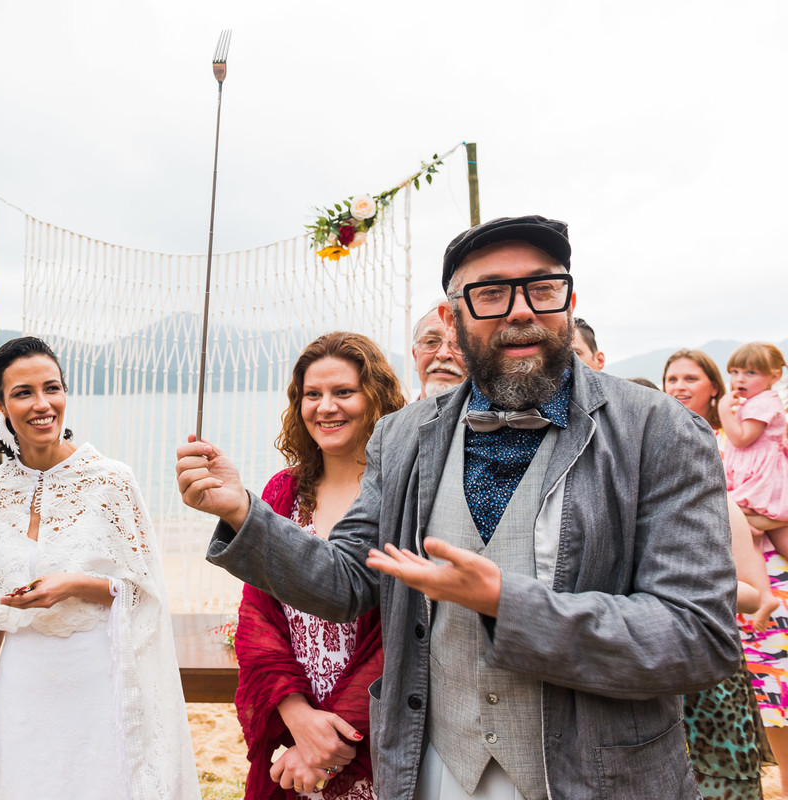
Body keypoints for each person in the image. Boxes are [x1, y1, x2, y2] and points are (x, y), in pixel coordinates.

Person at [177, 215, 741, 799]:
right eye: (490, 292)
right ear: (452, 318)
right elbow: (347, 580)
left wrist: (506, 604)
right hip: (436, 770)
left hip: (596, 779)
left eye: (542, 288)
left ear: (569, 301)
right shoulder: (402, 436)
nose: (520, 309)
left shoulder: (661, 432)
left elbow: (698, 636)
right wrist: (244, 511)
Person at [0, 336, 199, 800]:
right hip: (18, 688)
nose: (42, 404)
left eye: (52, 388)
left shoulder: (113, 481)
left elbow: (145, 594)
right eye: (23, 393)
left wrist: (75, 585)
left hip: (97, 685)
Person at [237, 332, 404, 799]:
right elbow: (257, 615)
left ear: (377, 398)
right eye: (312, 394)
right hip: (295, 723)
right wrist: (296, 716)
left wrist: (330, 738)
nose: (325, 407)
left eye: (343, 392)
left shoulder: (403, 495)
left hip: (374, 730)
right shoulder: (281, 492)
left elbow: (408, 626)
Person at [663, 349, 778, 798]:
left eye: (691, 377)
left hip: (713, 677)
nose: (680, 386)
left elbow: (754, 590)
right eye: (673, 377)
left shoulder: (727, 450)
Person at [720, 343, 788, 559]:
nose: (740, 379)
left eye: (751, 372)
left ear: (774, 376)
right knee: (773, 531)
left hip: (763, 477)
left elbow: (741, 439)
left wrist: (724, 410)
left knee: (740, 515)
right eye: (735, 372)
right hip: (760, 474)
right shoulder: (756, 402)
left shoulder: (763, 404)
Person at [411, 306, 466, 399]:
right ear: (415, 356)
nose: (443, 354)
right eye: (431, 341)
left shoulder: (495, 413)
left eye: (458, 344)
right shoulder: (390, 413)